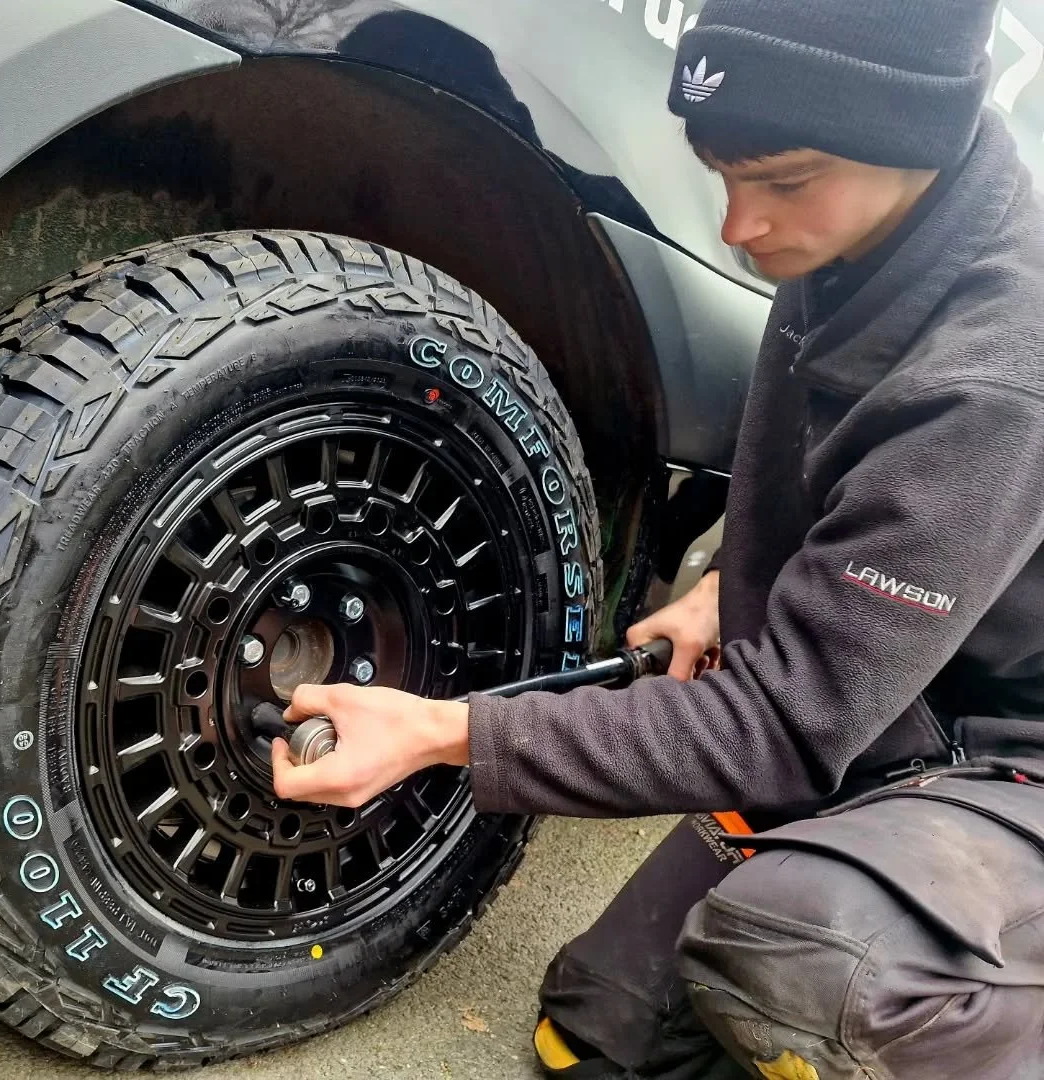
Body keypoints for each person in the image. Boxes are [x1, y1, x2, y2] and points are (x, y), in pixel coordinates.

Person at [270, 1, 1044, 1076]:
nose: (740, 225)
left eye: (781, 181)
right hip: (900, 696)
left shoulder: (996, 376)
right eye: (725, 173)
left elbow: (780, 726)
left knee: (798, 963)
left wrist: (449, 734)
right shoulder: (860, 223)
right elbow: (831, 474)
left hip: (1011, 765)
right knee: (592, 1035)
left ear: (916, 140)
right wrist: (727, 583)